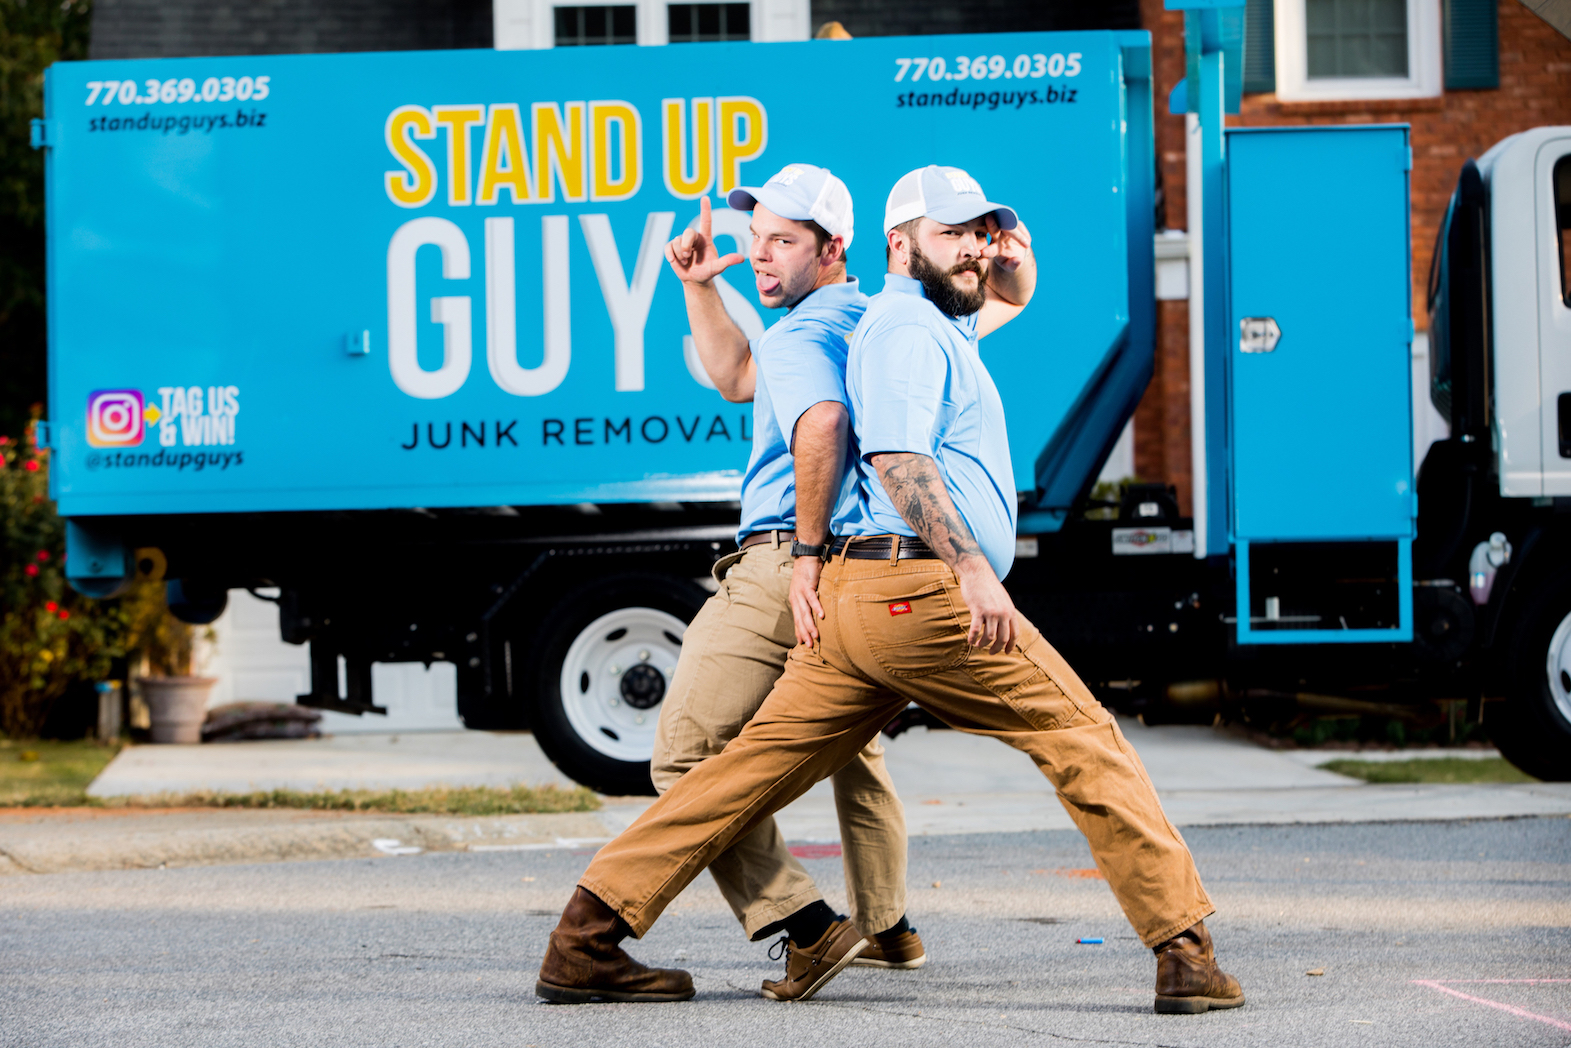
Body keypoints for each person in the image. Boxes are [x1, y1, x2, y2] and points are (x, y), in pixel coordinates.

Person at [536, 165, 1244, 1015]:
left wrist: (999, 250)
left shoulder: (907, 317)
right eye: (954, 234)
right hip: (916, 590)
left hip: (857, 601)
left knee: (741, 772)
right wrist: (972, 568)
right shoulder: (897, 328)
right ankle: (1185, 956)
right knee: (1083, 739)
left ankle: (586, 933)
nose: (974, 250)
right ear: (897, 244)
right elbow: (897, 457)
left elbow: (998, 292)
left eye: (978, 233)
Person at [537, 163, 919, 1005]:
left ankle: (807, 924)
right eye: (755, 241)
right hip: (861, 564)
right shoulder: (872, 320)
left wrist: (806, 555)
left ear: (833, 247)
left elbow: (813, 419)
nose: (761, 257)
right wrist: (699, 288)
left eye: (781, 241)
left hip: (788, 559)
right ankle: (889, 924)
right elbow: (735, 379)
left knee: (682, 755)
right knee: (853, 745)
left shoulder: (799, 334)